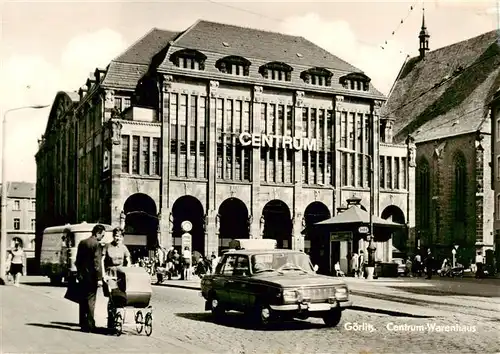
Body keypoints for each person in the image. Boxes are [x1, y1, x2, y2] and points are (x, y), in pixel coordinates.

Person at [75, 224, 106, 333]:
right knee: (91, 300)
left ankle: (82, 323)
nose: (102, 237)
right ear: (98, 233)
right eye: (102, 235)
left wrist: (79, 274)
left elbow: (77, 261)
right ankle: (89, 325)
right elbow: (97, 263)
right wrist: (99, 278)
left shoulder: (82, 243)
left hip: (82, 276)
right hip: (92, 277)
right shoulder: (96, 245)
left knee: (83, 299)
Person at [102, 227, 131, 329]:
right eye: (115, 236)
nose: (117, 238)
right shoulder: (107, 246)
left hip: (121, 274)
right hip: (110, 273)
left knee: (122, 296)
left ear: (122, 237)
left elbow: (128, 260)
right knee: (112, 296)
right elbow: (102, 260)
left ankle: (118, 318)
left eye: (119, 236)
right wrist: (103, 274)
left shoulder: (124, 248)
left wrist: (129, 271)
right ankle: (111, 320)